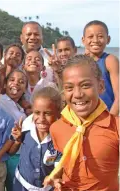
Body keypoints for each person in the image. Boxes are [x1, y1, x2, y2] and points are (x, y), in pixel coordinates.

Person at [44, 55, 119, 190]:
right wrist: (55, 177)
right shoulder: (57, 128)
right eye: (69, 87)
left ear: (101, 86)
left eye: (85, 85)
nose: (78, 94)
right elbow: (64, 159)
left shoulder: (116, 127)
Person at [9, 87, 62, 191]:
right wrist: (18, 140)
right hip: (21, 185)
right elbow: (11, 152)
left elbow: (60, 163)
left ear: (58, 113)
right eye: (37, 113)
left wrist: (55, 178)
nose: (41, 119)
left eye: (47, 113)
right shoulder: (26, 126)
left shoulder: (60, 136)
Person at [0, 69, 27, 191]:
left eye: (21, 82)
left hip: (18, 154)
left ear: (25, 88)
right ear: (5, 84)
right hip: (9, 155)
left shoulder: (21, 109)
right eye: (12, 80)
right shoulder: (1, 99)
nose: (16, 83)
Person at [82, 20, 119, 115]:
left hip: (107, 115)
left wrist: (111, 121)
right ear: (83, 40)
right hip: (86, 116)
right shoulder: (81, 62)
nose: (95, 40)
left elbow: (118, 96)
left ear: (108, 39)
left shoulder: (110, 60)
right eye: (90, 37)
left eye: (100, 36)